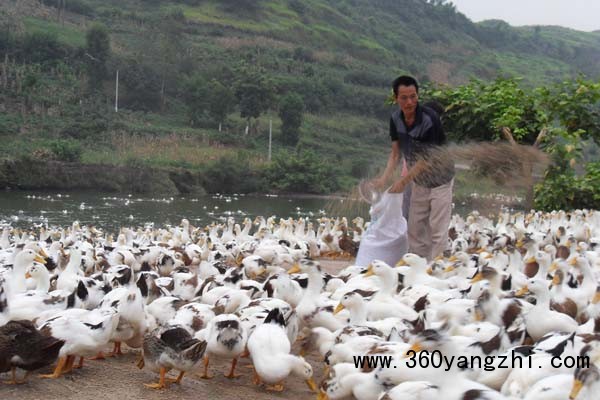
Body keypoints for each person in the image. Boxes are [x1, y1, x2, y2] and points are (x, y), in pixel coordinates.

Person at [373, 76, 454, 261]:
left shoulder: (429, 119)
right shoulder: (395, 119)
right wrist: (384, 178)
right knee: (415, 228)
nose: (409, 102)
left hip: (440, 178)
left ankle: (437, 272)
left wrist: (402, 181)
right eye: (404, 97)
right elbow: (396, 153)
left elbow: (426, 158)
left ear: (417, 95)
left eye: (413, 96)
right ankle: (418, 267)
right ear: (396, 98)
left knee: (437, 228)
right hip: (420, 180)